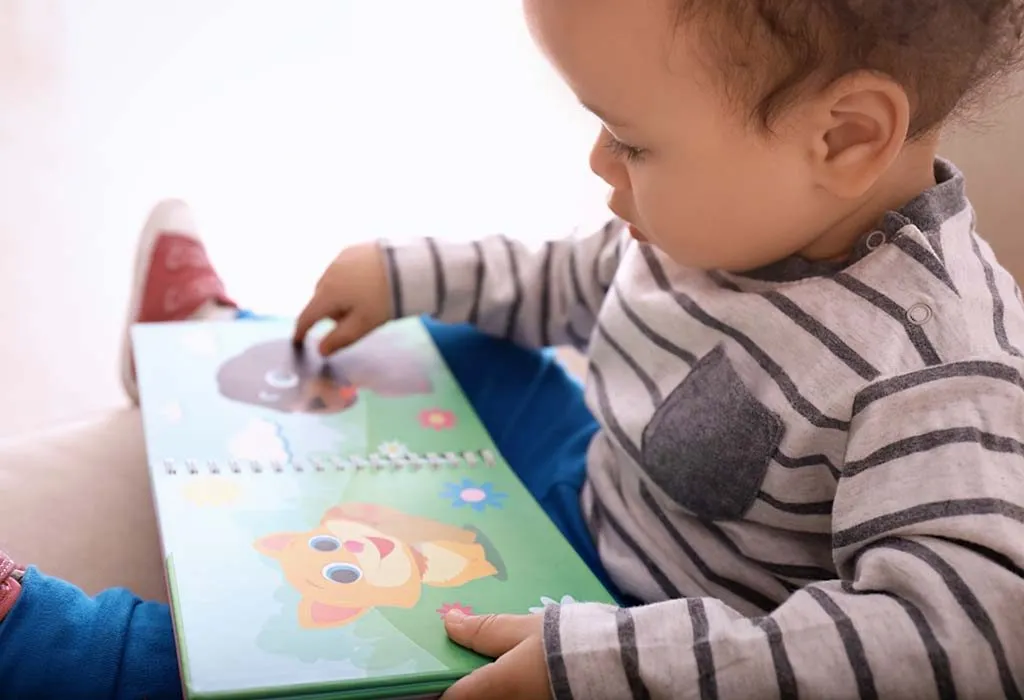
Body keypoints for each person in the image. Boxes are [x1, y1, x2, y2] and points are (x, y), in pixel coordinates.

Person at [3, 0, 1024, 697]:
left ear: (842, 138)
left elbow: (960, 636)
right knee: (465, 347)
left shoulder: (938, 368)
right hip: (589, 480)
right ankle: (215, 347)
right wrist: (411, 274)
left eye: (631, 141)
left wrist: (606, 663)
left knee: (331, 662)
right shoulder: (741, 214)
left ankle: (46, 635)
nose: (598, 165)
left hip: (639, 628)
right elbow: (573, 281)